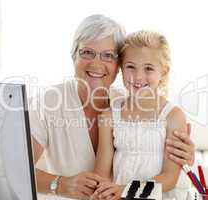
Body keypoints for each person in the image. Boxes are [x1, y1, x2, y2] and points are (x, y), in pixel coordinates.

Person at [29, 15, 195, 199]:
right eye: (87, 52)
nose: (96, 63)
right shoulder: (50, 101)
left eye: (107, 55)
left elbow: (169, 173)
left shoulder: (127, 100)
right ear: (73, 54)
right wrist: (59, 184)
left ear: (117, 66)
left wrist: (184, 159)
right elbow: (14, 170)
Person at [93, 30, 192, 200]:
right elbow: (101, 173)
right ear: (121, 69)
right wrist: (103, 193)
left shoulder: (172, 116)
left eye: (148, 68)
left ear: (164, 72)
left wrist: (125, 191)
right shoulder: (109, 116)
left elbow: (169, 178)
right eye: (130, 67)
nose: (138, 77)